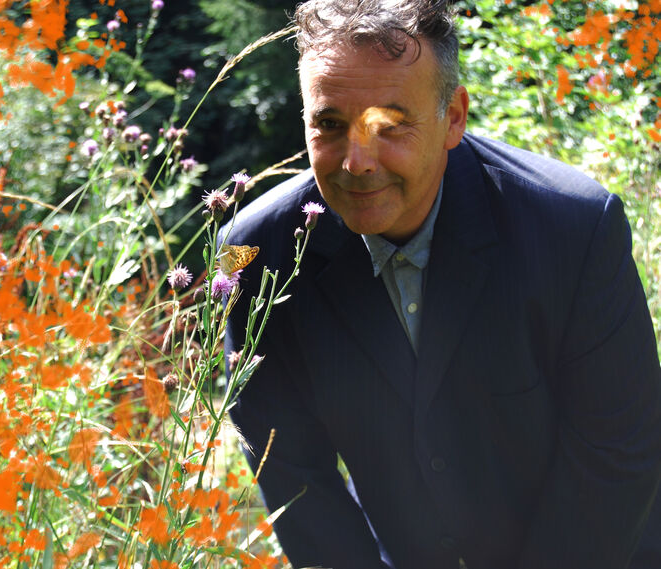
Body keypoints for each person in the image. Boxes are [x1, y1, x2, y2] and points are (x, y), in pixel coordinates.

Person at [221, 1, 661, 567]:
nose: (356, 161)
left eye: (390, 124)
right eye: (329, 124)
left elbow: (619, 452)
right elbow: (293, 479)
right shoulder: (254, 255)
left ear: (454, 116)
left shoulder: (575, 227)